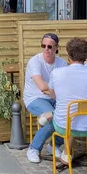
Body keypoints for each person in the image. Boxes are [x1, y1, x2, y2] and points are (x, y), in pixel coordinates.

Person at [49, 38, 87, 165]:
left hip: (64, 126)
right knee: (73, 114)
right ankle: (68, 154)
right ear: (86, 55)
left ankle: (67, 154)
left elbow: (53, 96)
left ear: (69, 54)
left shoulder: (56, 73)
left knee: (65, 115)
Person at [23, 33, 67, 163]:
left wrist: (55, 92)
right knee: (53, 119)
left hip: (55, 98)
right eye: (43, 46)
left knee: (68, 115)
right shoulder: (35, 61)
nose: (46, 49)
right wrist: (55, 90)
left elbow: (65, 86)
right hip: (35, 98)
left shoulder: (62, 63)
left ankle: (54, 145)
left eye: (50, 46)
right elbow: (42, 87)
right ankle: (34, 148)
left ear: (56, 48)